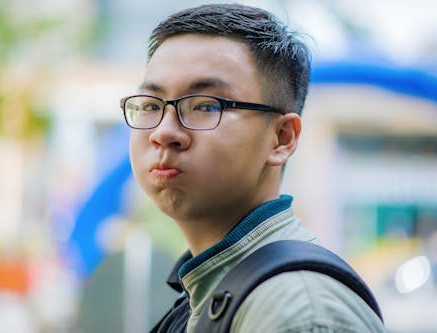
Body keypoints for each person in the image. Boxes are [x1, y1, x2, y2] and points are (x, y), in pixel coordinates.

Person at [120, 3, 387, 332]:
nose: (164, 133)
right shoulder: (205, 289)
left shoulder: (299, 311)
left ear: (281, 138)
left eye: (205, 105)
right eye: (150, 105)